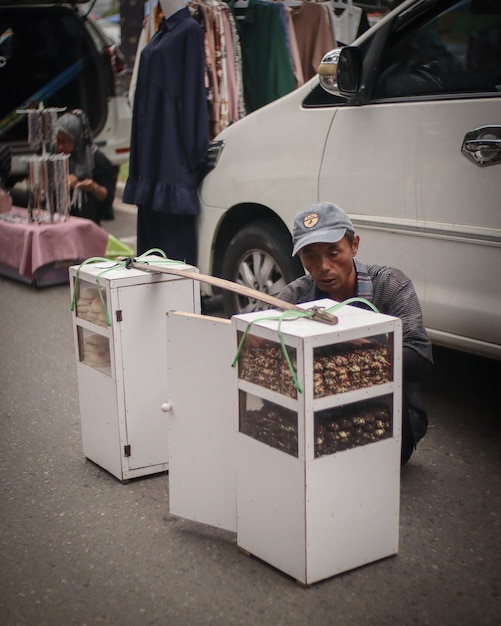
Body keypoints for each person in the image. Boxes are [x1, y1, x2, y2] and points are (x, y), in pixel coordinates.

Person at [278, 202, 433, 464]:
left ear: (354, 245)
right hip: (322, 409)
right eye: (310, 256)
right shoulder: (294, 297)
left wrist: (359, 352)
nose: (323, 266)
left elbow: (420, 357)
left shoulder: (391, 285)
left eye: (333, 252)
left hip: (388, 410)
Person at [123, 0, 208, 265]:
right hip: (149, 161)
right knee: (149, 257)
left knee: (172, 258)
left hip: (172, 161)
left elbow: (194, 95)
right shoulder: (160, 31)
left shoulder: (189, 30)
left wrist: (196, 153)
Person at [54, 109, 117, 225]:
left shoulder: (98, 161)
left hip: (87, 222)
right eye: (57, 142)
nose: (60, 147)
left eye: (65, 142)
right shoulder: (54, 157)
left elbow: (107, 197)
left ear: (77, 139)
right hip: (59, 221)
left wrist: (93, 187)